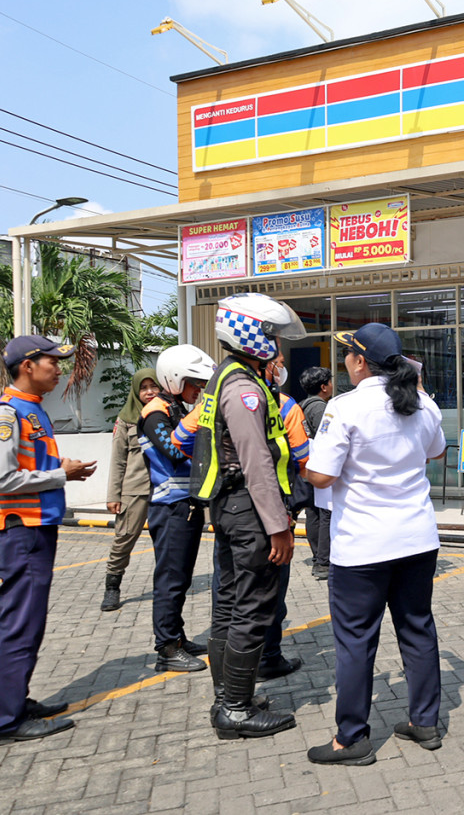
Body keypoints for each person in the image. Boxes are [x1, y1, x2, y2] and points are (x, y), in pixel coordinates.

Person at [303, 323, 447, 766]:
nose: (344, 360)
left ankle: (352, 739)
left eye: (348, 353)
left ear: (361, 362)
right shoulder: (422, 403)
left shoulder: (345, 407)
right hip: (417, 539)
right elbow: (437, 451)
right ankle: (425, 721)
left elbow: (321, 476)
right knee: (417, 628)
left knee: (355, 641)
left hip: (363, 546)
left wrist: (302, 461)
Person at [190, 292, 304, 740]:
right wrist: (278, 526)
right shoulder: (244, 389)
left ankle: (229, 698)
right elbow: (257, 463)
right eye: (272, 335)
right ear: (252, 335)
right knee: (253, 608)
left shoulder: (228, 377)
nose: (278, 346)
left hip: (231, 507)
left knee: (230, 606)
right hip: (250, 511)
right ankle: (235, 710)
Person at [0, 334, 96, 744]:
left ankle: (16, 701)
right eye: (52, 361)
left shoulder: (32, 409)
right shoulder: (6, 414)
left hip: (35, 528)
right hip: (20, 531)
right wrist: (62, 474)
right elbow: (4, 479)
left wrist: (60, 466)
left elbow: (31, 464)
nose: (59, 368)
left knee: (29, 624)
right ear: (27, 366)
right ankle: (6, 722)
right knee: (19, 626)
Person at [139, 345, 216, 673]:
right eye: (195, 384)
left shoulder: (176, 408)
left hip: (186, 506)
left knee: (181, 578)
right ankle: (167, 648)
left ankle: (178, 637)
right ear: (175, 379)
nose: (199, 390)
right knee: (170, 579)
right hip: (169, 508)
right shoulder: (155, 412)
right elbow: (173, 450)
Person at [250, 350, 308, 683]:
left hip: (234, 512)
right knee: (272, 588)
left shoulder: (215, 398)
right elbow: (303, 458)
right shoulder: (285, 406)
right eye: (281, 364)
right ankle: (269, 657)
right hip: (275, 510)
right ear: (267, 366)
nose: (283, 369)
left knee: (231, 592)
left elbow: (183, 440)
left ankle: (232, 669)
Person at [100, 368, 159, 612]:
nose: (149, 392)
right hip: (134, 489)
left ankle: (165, 587)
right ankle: (112, 587)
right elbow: (118, 460)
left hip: (163, 488)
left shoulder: (167, 413)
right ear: (136, 391)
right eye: (143, 388)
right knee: (124, 538)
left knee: (166, 541)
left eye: (153, 386)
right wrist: (113, 495)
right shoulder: (125, 419)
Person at [300, 365, 334, 581]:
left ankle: (317, 557)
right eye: (330, 382)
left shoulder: (302, 406)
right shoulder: (320, 408)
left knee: (312, 513)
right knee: (325, 513)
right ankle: (323, 562)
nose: (331, 385)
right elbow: (327, 439)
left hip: (306, 467)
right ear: (323, 387)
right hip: (320, 466)